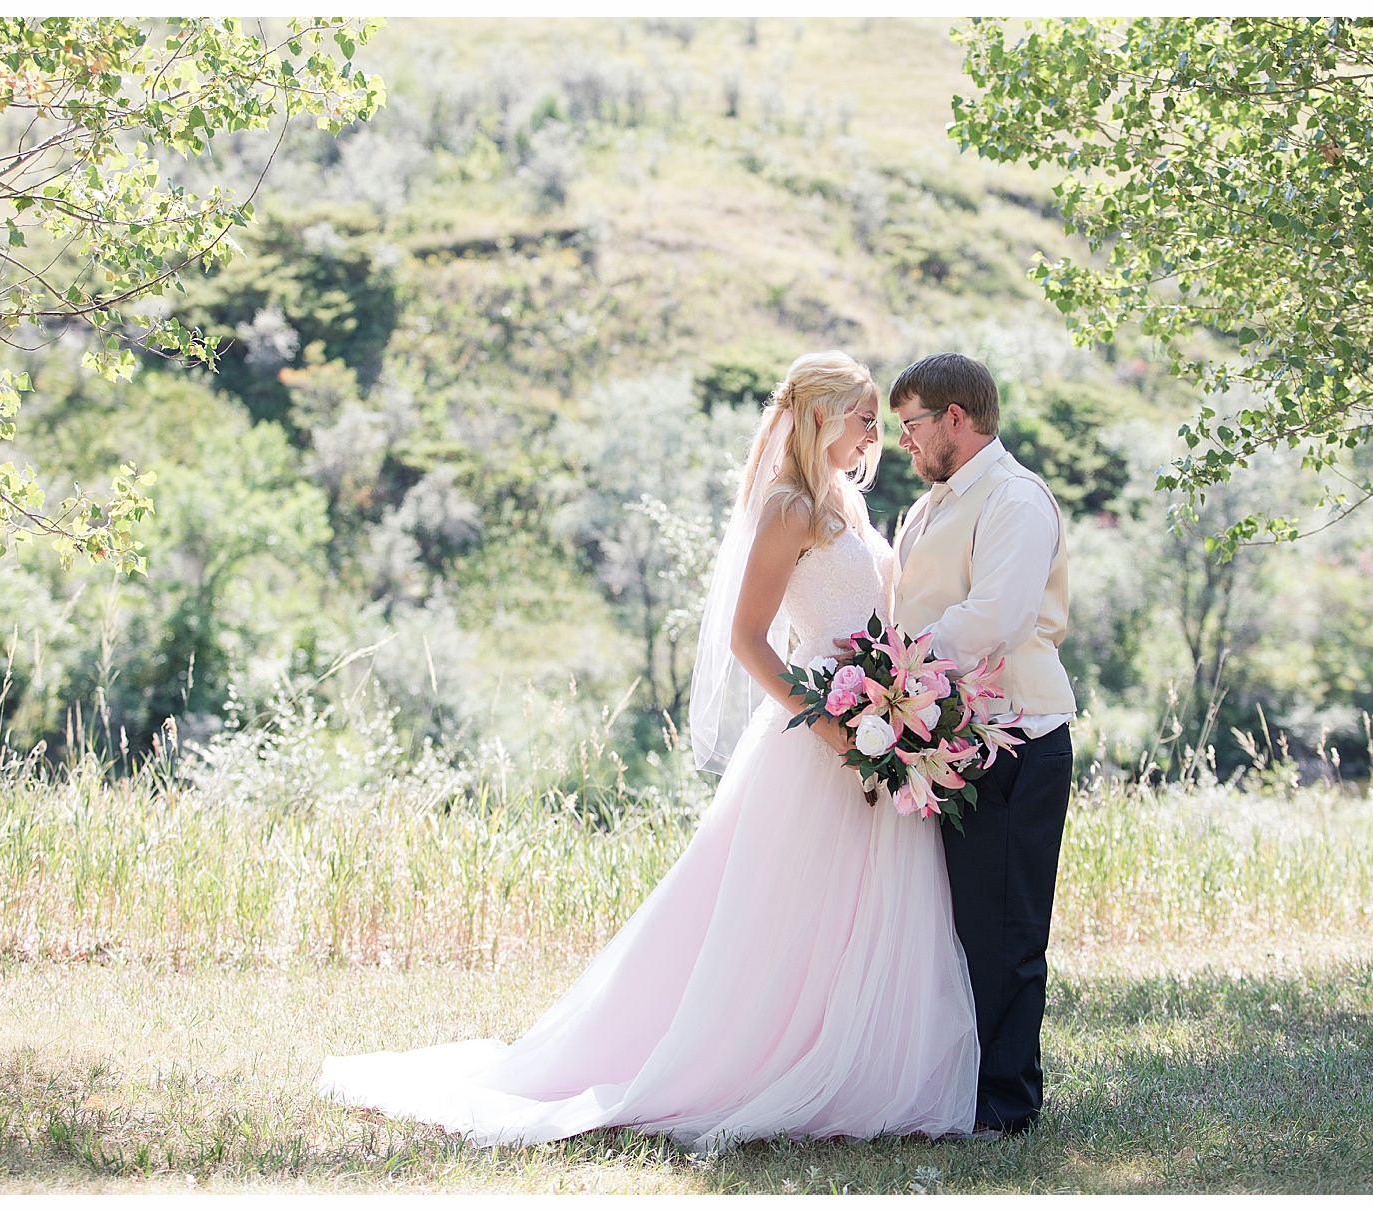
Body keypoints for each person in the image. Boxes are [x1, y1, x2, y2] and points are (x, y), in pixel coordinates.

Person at [319, 351, 979, 1154]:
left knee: (864, 910)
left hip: (878, 723)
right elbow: (748, 640)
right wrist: (829, 719)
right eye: (865, 416)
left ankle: (858, 1063)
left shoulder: (848, 500)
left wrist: (893, 702)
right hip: (816, 737)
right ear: (819, 416)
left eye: (880, 420)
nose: (877, 432)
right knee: (784, 911)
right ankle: (753, 1060)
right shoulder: (789, 507)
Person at [888, 351, 1076, 1136]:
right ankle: (960, 1088)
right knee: (959, 926)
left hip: (1017, 739)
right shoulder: (930, 506)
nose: (905, 444)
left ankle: (1006, 1105)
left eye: (912, 426)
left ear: (955, 421)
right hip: (952, 740)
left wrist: (894, 669)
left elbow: (996, 619)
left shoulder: (1015, 499)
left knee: (1006, 929)